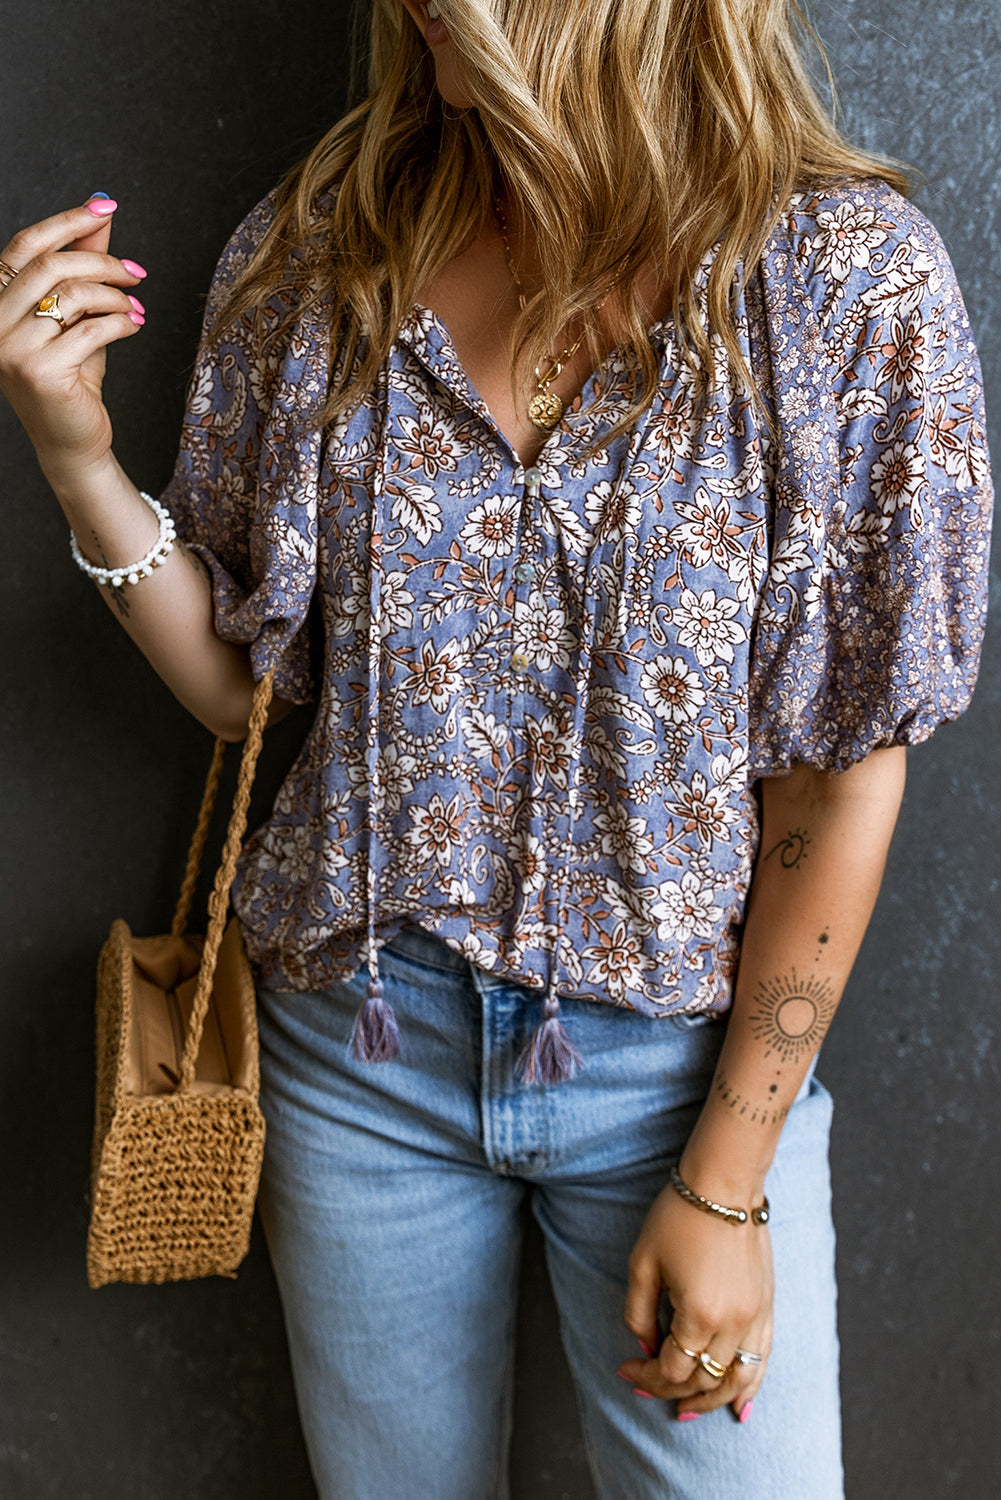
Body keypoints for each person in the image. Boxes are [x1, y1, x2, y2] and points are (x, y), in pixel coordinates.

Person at [0, 1, 993, 1495]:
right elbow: (247, 694)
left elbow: (842, 769)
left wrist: (724, 1191)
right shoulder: (329, 244)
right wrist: (79, 459)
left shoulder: (844, 286)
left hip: (679, 1075)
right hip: (359, 1053)